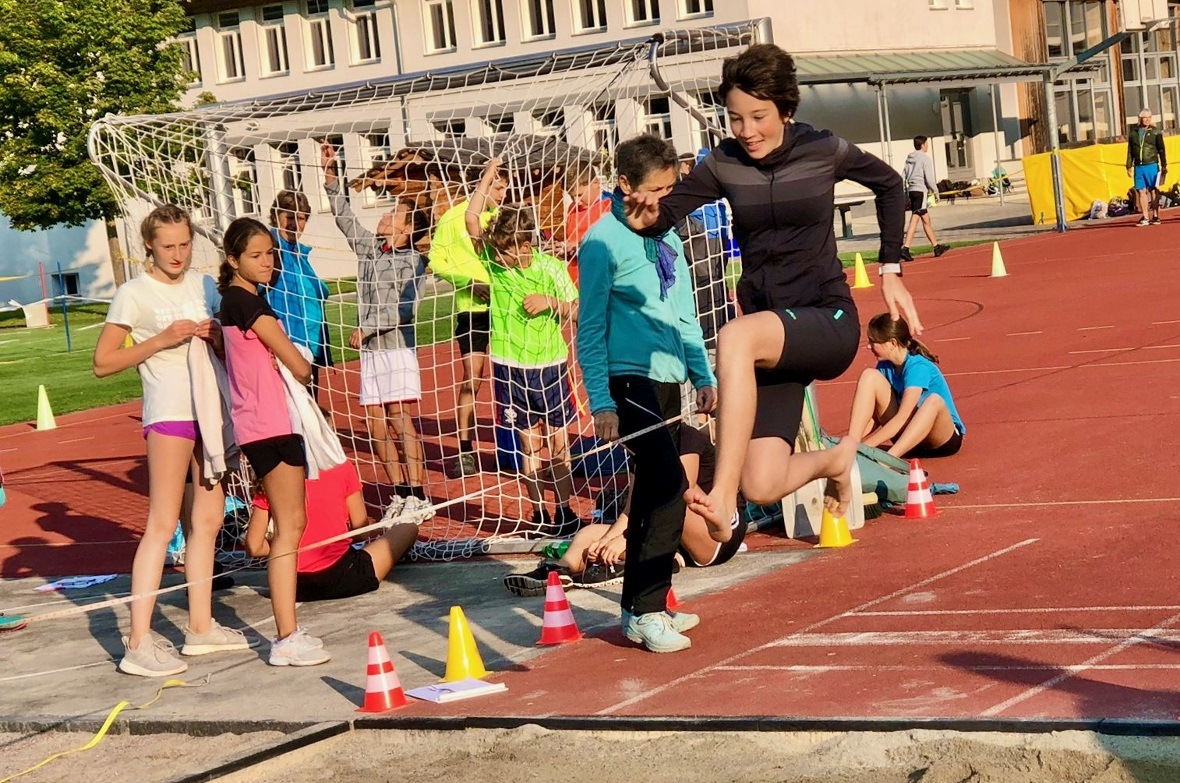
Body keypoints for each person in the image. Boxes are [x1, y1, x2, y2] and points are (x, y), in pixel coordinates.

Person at [621, 44, 922, 542]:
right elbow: (665, 217)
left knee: (734, 336)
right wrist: (639, 212)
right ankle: (836, 457)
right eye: (735, 118)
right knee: (762, 483)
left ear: (787, 108)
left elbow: (890, 185)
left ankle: (720, 499)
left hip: (827, 319)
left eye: (758, 116)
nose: (746, 131)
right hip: (774, 340)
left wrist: (891, 270)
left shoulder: (823, 149)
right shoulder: (724, 163)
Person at [93, 205, 253, 677]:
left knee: (206, 521)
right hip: (169, 415)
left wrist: (216, 338)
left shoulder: (205, 286)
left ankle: (200, 628)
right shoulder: (133, 294)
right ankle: (138, 641)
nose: (178, 254)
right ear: (150, 245)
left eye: (184, 244)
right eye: (168, 246)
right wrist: (160, 340)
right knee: (163, 524)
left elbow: (230, 346)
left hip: (210, 413)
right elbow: (103, 363)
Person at [577, 133, 717, 653]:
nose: (663, 199)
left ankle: (640, 607)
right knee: (665, 483)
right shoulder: (600, 242)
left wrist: (702, 375)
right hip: (626, 379)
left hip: (667, 379)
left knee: (660, 490)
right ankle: (647, 608)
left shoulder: (669, 238)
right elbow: (589, 329)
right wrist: (602, 403)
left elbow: (684, 315)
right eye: (655, 189)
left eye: (669, 189)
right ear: (625, 185)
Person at [217, 217, 330, 667]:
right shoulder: (250, 306)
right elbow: (301, 366)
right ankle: (285, 636)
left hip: (262, 424)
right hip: (270, 425)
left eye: (269, 253)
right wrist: (299, 359)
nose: (267, 262)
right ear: (233, 261)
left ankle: (289, 631)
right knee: (291, 527)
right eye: (256, 255)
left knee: (291, 524)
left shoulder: (233, 303)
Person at [466, 159, 581, 535]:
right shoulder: (499, 266)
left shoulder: (550, 269)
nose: (499, 259)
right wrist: (489, 175)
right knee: (529, 445)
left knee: (558, 442)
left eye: (507, 252)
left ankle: (563, 511)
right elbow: (472, 219)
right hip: (510, 366)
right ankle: (538, 514)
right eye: (496, 253)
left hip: (548, 365)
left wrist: (552, 304)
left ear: (526, 244)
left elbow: (580, 310)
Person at [503, 418, 744, 597]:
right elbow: (632, 507)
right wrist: (608, 539)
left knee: (676, 491)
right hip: (672, 530)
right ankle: (560, 571)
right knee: (588, 535)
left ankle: (653, 557)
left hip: (715, 534)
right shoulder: (639, 449)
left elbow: (676, 496)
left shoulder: (684, 436)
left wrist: (627, 538)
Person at [320, 141, 431, 520]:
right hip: (371, 352)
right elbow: (343, 216)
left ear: (408, 227)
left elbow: (405, 311)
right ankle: (399, 492)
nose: (385, 217)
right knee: (374, 423)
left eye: (394, 214)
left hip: (396, 348)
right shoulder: (370, 249)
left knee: (401, 419)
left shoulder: (414, 261)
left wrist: (367, 328)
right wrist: (331, 177)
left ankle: (418, 494)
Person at [428, 166, 510, 479]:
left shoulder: (501, 218)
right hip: (471, 309)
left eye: (504, 189)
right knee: (472, 376)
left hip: (505, 306)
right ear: (483, 185)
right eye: (497, 188)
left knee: (510, 374)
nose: (501, 196)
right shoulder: (453, 218)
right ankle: (464, 449)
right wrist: (467, 282)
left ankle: (511, 446)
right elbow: (436, 261)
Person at [244, 461, 419, 602]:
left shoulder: (273, 474)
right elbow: (361, 530)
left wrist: (290, 546)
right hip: (345, 576)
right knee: (408, 528)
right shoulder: (340, 466)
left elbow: (254, 546)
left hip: (293, 586)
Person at [847, 313, 964, 459]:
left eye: (873, 341)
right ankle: (848, 445)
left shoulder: (917, 367)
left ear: (893, 343)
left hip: (940, 440)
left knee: (933, 401)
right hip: (909, 440)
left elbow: (902, 417)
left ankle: (888, 460)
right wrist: (853, 444)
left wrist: (866, 448)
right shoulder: (884, 366)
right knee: (869, 375)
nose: (868, 346)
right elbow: (876, 417)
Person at [266, 190, 333, 399]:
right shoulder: (271, 250)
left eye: (301, 217)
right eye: (289, 215)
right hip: (287, 347)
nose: (295, 223)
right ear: (276, 216)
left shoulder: (300, 254)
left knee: (311, 409)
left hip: (310, 346)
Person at [561, 161, 612, 286]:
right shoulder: (572, 209)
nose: (576, 201)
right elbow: (571, 240)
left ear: (596, 183)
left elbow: (612, 243)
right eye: (572, 196)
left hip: (600, 280)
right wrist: (563, 247)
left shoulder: (610, 206)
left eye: (579, 195)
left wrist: (578, 245)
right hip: (575, 280)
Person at [901, 136, 950, 260]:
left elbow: (903, 176)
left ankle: (936, 246)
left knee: (926, 220)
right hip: (920, 190)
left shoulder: (909, 159)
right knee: (915, 218)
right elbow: (929, 178)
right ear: (922, 145)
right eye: (926, 143)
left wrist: (905, 191)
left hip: (912, 190)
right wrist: (936, 191)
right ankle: (905, 248)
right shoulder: (925, 159)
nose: (927, 146)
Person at [1127, 109, 1167, 226]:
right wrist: (1128, 165)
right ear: (1140, 119)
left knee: (1153, 190)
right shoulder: (1133, 133)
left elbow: (1161, 149)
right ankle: (1145, 216)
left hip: (1152, 164)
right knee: (1141, 191)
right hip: (1139, 166)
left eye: (1149, 117)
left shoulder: (1155, 132)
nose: (1147, 119)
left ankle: (1155, 215)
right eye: (1145, 117)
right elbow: (1130, 150)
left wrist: (1164, 165)